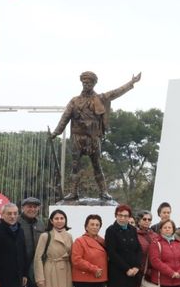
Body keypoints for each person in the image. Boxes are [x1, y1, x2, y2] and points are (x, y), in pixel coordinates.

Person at [50, 71, 141, 200]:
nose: (86, 84)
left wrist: (131, 82)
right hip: (77, 137)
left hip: (93, 138)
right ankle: (73, 192)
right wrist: (56, 133)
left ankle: (103, 191)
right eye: (84, 82)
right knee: (75, 165)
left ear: (94, 83)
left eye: (89, 82)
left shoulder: (100, 98)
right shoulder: (74, 101)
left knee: (97, 165)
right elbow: (64, 118)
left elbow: (116, 92)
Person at [105, 204, 142, 287]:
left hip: (132, 274)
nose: (123, 218)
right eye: (120, 215)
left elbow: (138, 249)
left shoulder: (132, 229)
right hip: (118, 274)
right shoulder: (111, 230)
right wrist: (127, 269)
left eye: (126, 216)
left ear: (129, 217)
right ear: (116, 215)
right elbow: (112, 253)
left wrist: (137, 267)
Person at [13, 197, 45, 287]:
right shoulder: (16, 222)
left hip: (35, 268)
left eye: (35, 207)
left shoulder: (41, 223)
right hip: (19, 268)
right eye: (29, 206)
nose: (32, 209)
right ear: (23, 207)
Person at [135, 211, 157, 287]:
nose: (147, 221)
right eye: (144, 219)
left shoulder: (154, 235)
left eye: (149, 219)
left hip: (151, 271)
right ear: (139, 220)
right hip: (139, 271)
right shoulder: (134, 234)